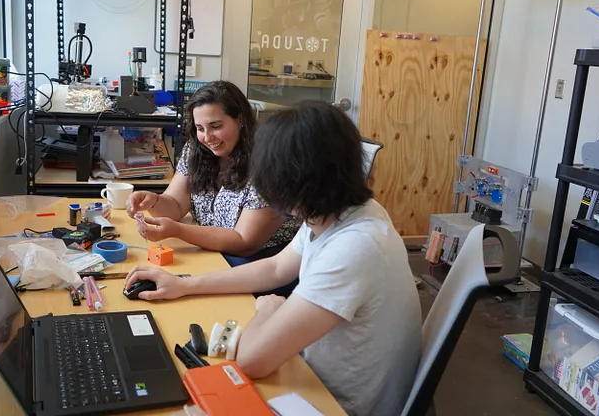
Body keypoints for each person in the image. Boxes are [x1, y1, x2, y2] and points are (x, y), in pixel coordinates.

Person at [125, 101, 422, 416]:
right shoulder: (341, 211)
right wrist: (185, 285)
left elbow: (252, 361)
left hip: (332, 403)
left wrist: (269, 310)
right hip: (311, 376)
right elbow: (277, 267)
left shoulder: (355, 247)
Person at [126, 80, 300, 266]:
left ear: (240, 120)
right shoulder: (195, 150)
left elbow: (245, 242)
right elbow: (175, 205)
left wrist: (178, 230)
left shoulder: (267, 164)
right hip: (213, 251)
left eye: (216, 126)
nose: (207, 137)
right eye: (200, 128)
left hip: (264, 261)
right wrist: (153, 200)